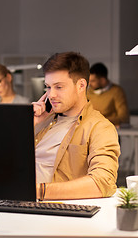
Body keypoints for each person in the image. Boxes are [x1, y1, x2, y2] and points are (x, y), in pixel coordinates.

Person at [32, 52, 120, 201]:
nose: (51, 95)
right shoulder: (42, 120)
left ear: (81, 85)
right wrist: (28, 124)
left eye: (59, 87)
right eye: (48, 87)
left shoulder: (100, 127)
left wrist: (39, 191)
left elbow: (103, 181)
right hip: (16, 200)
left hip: (48, 207)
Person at [87, 63, 129, 127]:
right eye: (89, 81)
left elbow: (124, 117)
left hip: (110, 131)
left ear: (102, 80)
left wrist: (100, 120)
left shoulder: (116, 91)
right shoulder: (89, 92)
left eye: (93, 81)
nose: (89, 84)